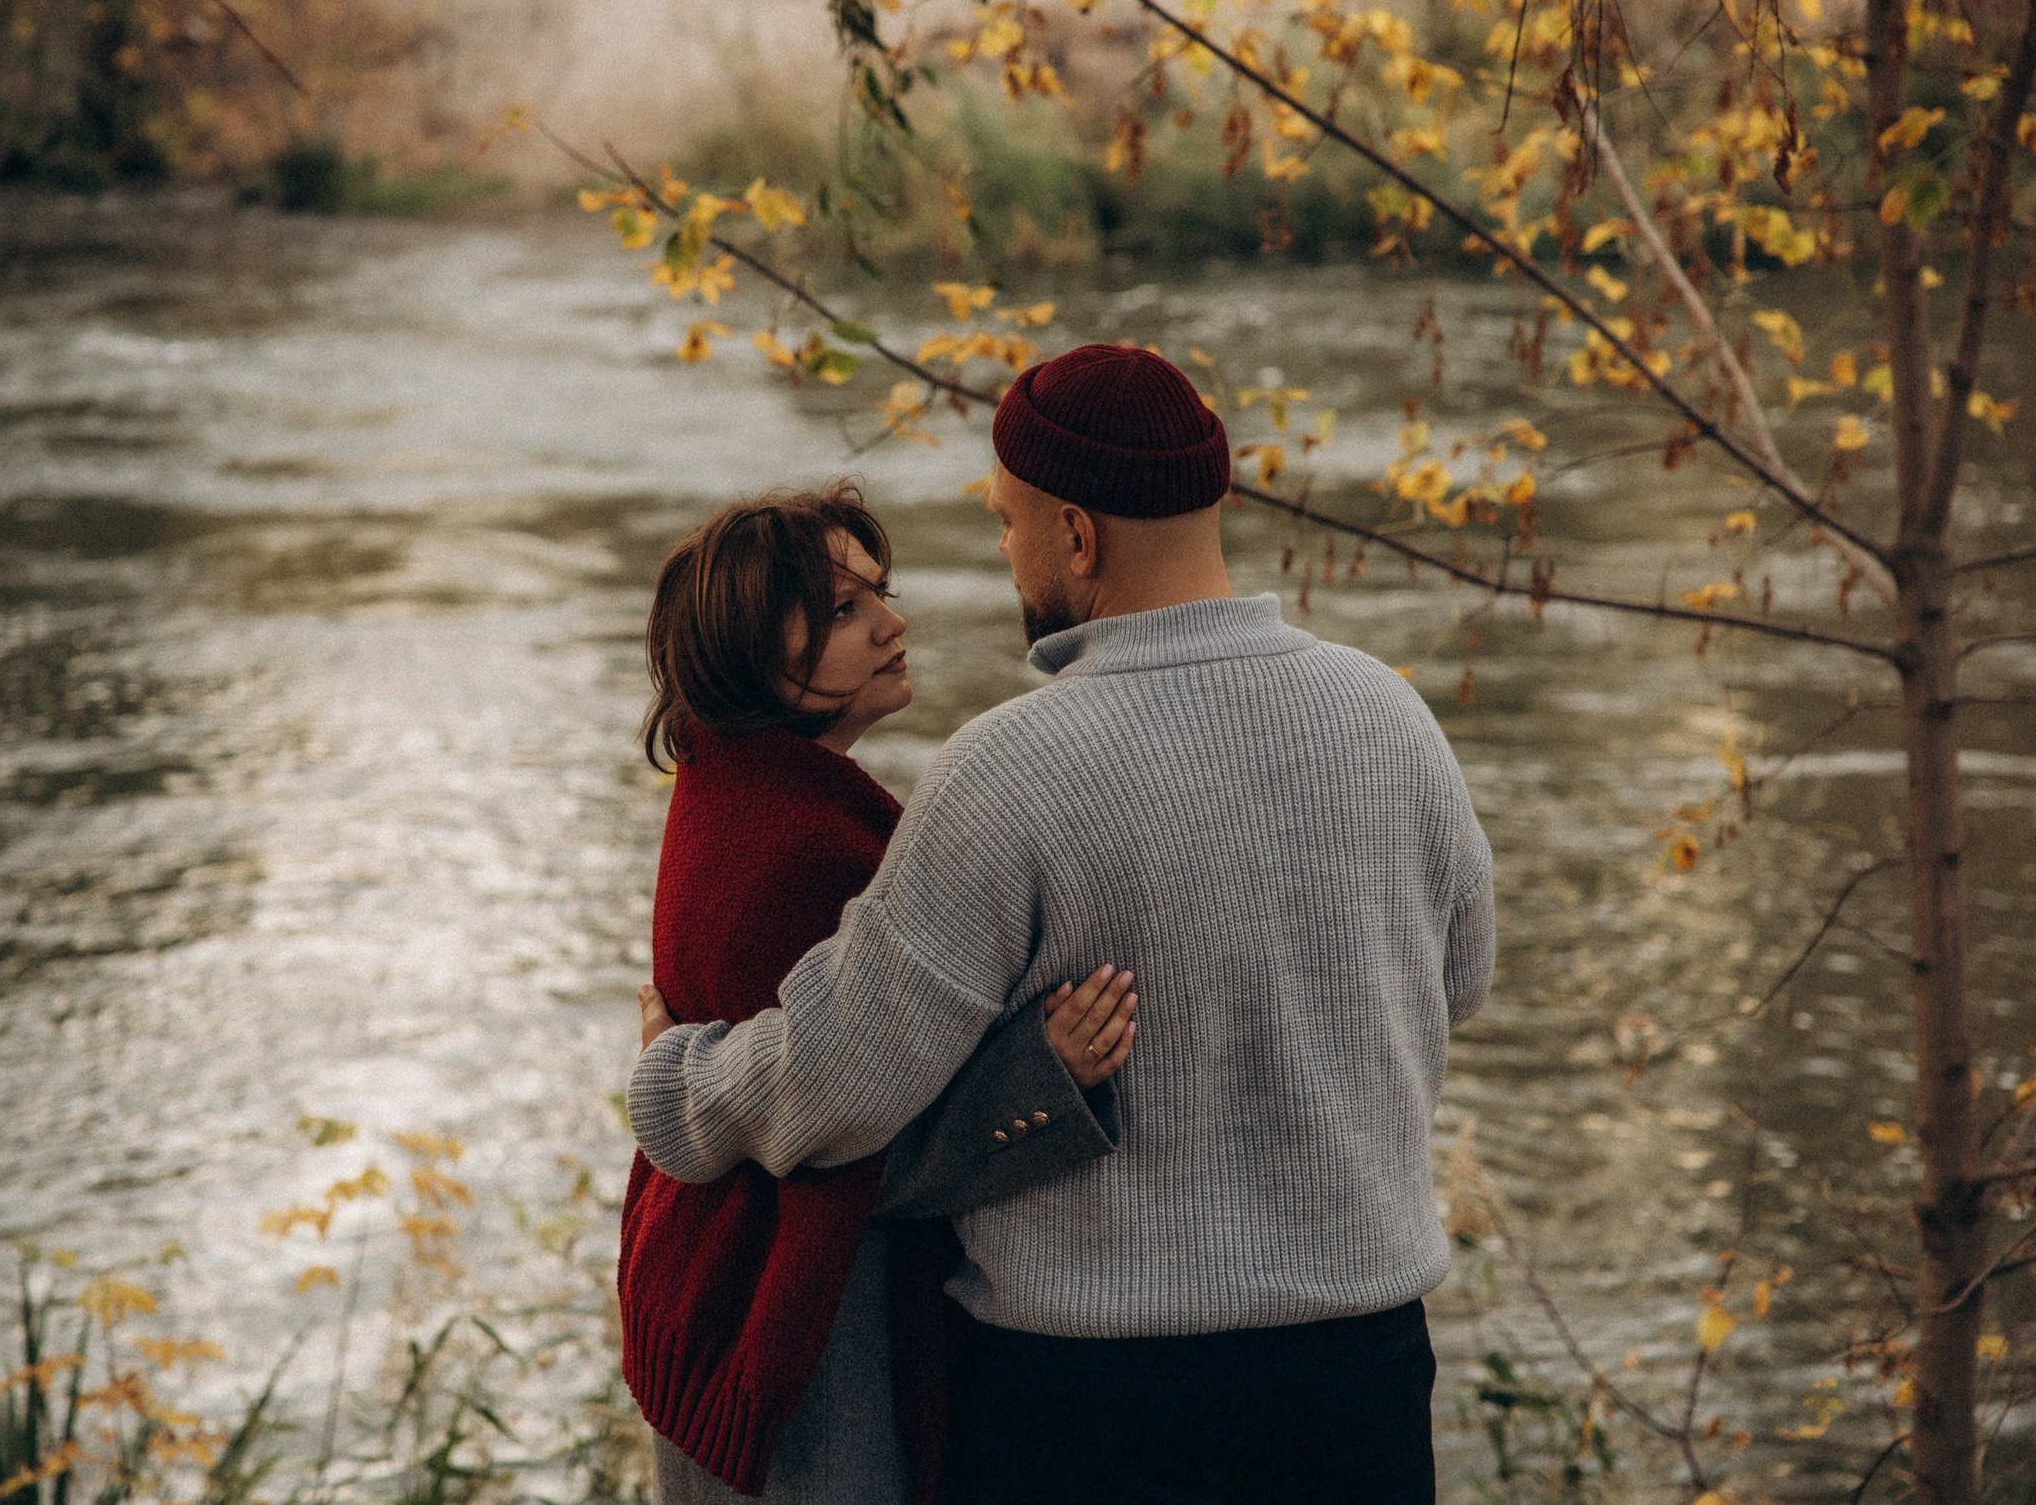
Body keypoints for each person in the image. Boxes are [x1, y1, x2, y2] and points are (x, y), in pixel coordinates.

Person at [629, 346, 1496, 1505]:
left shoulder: (1008, 770)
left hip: (1087, 1403)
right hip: (1361, 1379)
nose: (1004, 554)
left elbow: (836, 1081)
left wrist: (674, 1085)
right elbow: (1462, 979)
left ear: (1077, 536)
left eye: (1007, 525)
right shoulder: (1388, 716)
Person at [619, 483, 1140, 1505]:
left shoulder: (729, 786)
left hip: (719, 1308)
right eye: (845, 610)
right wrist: (1041, 1078)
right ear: (754, 653)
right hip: (800, 1349)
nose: (893, 622)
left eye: (880, 593)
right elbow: (828, 1162)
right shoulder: (803, 849)